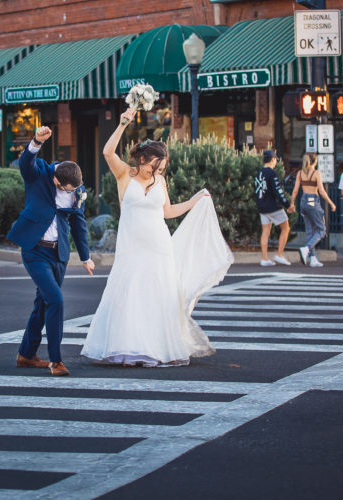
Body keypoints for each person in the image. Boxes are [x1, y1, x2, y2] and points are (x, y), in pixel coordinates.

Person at [82, 107, 232, 367]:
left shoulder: (160, 181)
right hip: (131, 247)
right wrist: (121, 124)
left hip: (159, 245)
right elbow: (107, 152)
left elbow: (168, 211)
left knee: (156, 295)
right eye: (154, 166)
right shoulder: (124, 174)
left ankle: (156, 347)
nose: (157, 171)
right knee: (129, 294)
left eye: (161, 167)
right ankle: (127, 347)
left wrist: (194, 200)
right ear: (142, 159)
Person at [8, 125, 95, 376]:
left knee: (43, 304)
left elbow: (79, 223)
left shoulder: (76, 189)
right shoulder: (39, 175)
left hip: (59, 254)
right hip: (35, 251)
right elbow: (26, 162)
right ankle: (56, 360)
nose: (71, 192)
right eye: (67, 188)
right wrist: (36, 141)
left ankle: (26, 355)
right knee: (55, 299)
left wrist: (86, 257)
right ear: (57, 179)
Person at [288, 152, 337, 267]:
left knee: (310, 231)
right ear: (315, 161)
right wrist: (331, 203)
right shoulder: (316, 173)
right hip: (313, 200)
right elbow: (321, 191)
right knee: (321, 230)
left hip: (303, 201)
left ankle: (313, 258)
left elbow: (295, 191)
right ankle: (306, 248)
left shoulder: (300, 173)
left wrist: (291, 204)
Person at [254, 150, 292, 266]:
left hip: (261, 206)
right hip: (273, 206)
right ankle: (279, 255)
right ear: (272, 159)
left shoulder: (259, 174)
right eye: (275, 159)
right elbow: (278, 192)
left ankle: (264, 258)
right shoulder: (272, 173)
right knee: (286, 228)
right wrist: (288, 205)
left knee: (266, 230)